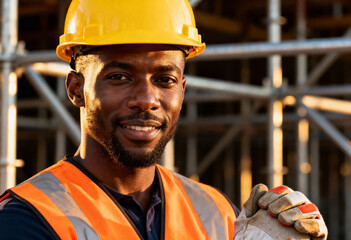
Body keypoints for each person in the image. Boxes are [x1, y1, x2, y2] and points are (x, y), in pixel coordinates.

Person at [0, 0, 327, 239]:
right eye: (119, 77)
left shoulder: (215, 211)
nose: (146, 99)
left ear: (181, 91)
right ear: (76, 89)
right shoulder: (29, 220)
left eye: (164, 80)